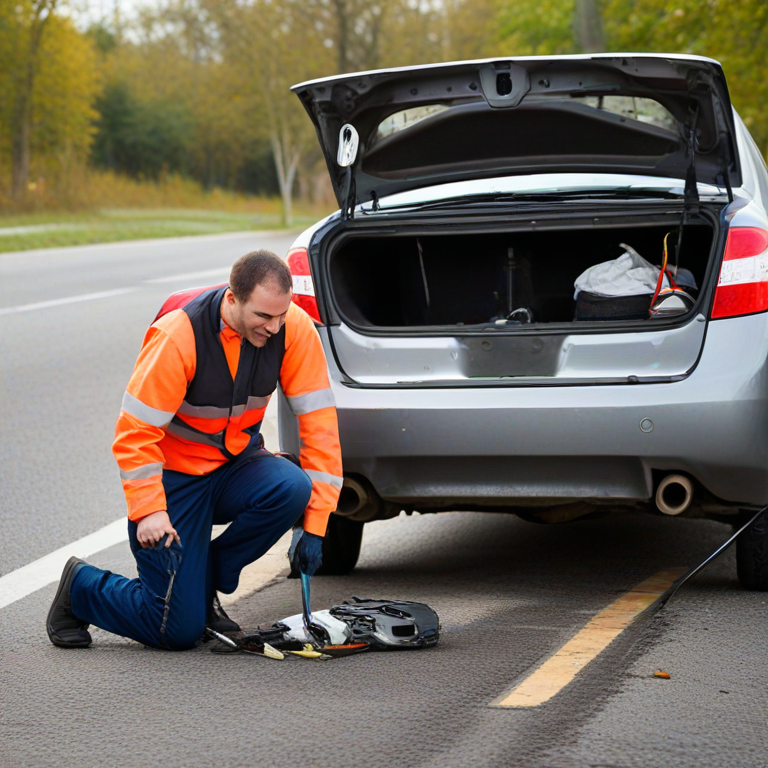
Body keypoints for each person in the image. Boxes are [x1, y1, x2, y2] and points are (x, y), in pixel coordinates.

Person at [46, 249, 343, 650]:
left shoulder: (294, 328)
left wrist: (316, 524)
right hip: (175, 481)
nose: (274, 327)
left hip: (235, 466)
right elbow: (134, 432)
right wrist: (150, 509)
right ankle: (81, 589)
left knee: (292, 486)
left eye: (280, 315)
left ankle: (203, 581)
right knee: (175, 630)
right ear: (233, 299)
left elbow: (320, 426)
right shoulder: (179, 336)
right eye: (262, 316)